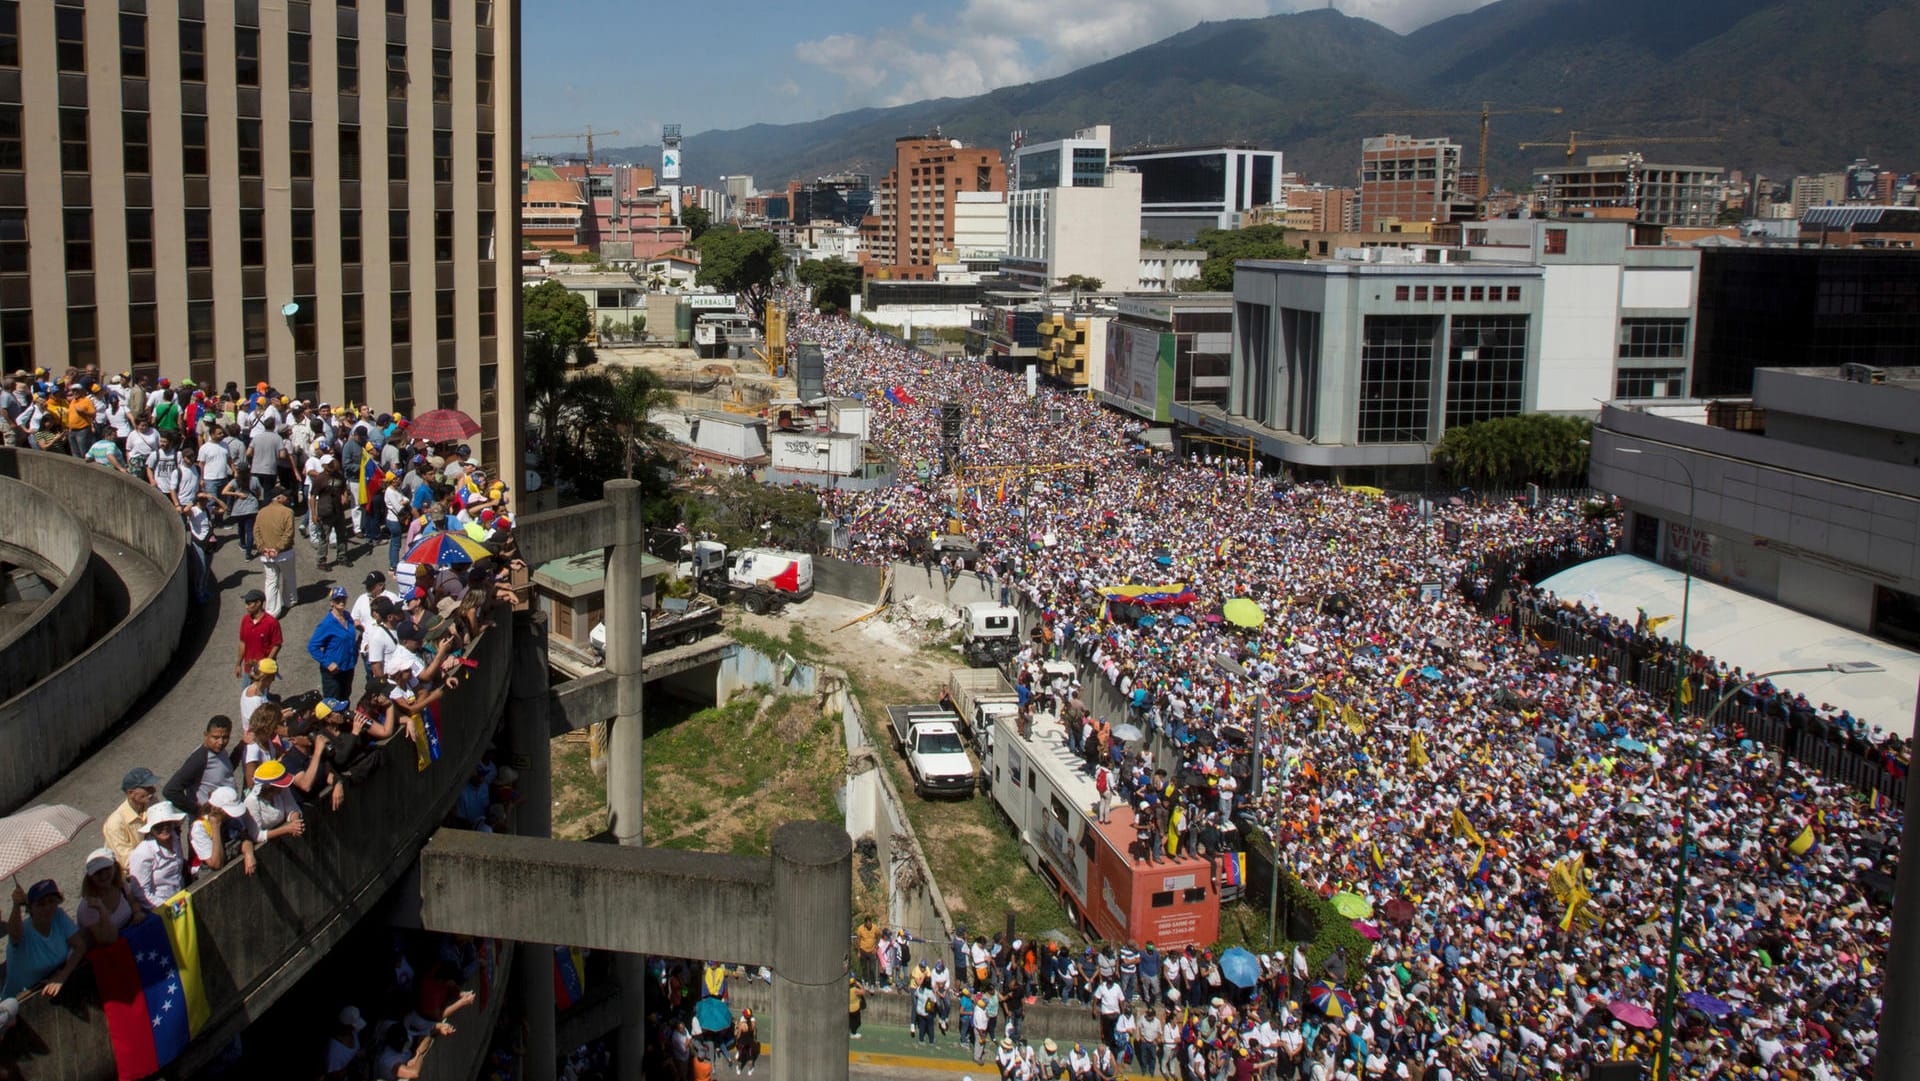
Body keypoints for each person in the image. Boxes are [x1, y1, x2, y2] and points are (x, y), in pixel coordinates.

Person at [3, 879, 86, 998]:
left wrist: (63, 975)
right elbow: (14, 934)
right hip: (23, 997)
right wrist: (16, 906)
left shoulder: (59, 915)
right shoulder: (23, 931)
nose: (47, 907)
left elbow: (80, 946)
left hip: (53, 986)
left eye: (51, 901)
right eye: (41, 904)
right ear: (31, 908)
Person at [163, 715, 238, 814]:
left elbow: (226, 771)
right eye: (215, 737)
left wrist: (241, 747)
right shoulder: (199, 758)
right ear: (206, 735)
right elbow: (170, 791)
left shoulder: (220, 751)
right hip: (211, 821)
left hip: (227, 814)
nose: (220, 742)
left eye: (225, 737)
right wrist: (198, 811)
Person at [75, 847, 148, 945]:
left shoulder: (121, 885)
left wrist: (137, 912)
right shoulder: (87, 907)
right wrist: (102, 910)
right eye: (97, 872)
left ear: (115, 867)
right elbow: (107, 939)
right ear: (90, 877)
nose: (103, 875)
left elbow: (133, 902)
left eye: (106, 869)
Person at [127, 800, 189, 906]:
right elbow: (141, 893)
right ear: (151, 829)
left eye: (167, 824)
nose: (164, 828)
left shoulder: (174, 838)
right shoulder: (142, 854)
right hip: (160, 909)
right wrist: (168, 907)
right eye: (158, 826)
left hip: (181, 900)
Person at [102, 766, 162, 869]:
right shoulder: (115, 823)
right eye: (147, 788)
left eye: (151, 786)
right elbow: (127, 861)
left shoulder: (152, 802)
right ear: (130, 793)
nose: (153, 790)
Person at [309, 586, 359, 701]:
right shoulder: (327, 623)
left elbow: (350, 637)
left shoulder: (347, 616)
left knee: (345, 698)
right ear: (332, 602)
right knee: (332, 702)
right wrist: (328, 663)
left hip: (348, 667)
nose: (341, 602)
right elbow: (313, 646)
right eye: (338, 599)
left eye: (343, 599)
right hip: (333, 672)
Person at [255, 488, 298, 617]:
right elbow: (289, 533)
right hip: (284, 553)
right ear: (279, 498)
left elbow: (256, 532)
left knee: (271, 581)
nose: (287, 498)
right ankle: (290, 600)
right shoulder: (288, 512)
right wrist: (277, 548)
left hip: (266, 554)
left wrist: (263, 548)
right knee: (289, 577)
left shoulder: (261, 512)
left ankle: (271, 611)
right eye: (285, 496)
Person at [732, 1007, 759, 1075]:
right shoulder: (753, 1024)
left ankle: (739, 1069)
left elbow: (738, 1036)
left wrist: (736, 1034)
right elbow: (754, 1034)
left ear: (745, 1016)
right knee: (750, 1057)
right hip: (750, 1042)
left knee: (741, 1058)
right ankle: (750, 1070)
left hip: (742, 1043)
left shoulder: (741, 1025)